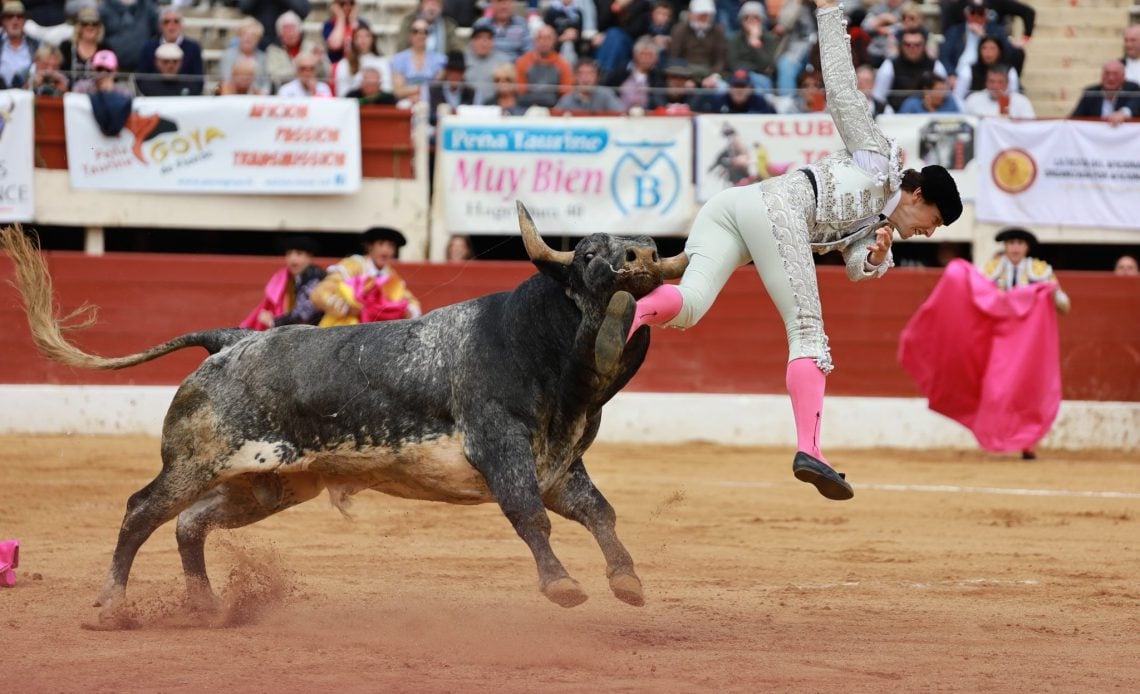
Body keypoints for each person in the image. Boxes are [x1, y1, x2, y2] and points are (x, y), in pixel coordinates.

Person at [603, 0, 963, 501]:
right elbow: (839, 88)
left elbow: (858, 268)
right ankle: (810, 449)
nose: (927, 232)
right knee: (809, 332)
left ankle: (629, 318)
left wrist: (878, 254)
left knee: (689, 306)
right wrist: (831, 11)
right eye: (933, 222)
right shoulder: (878, 157)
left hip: (738, 206)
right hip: (779, 209)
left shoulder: (874, 223)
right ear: (921, 196)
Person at [980, 227, 1070, 459]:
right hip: (1001, 340)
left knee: (1028, 390)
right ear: (1005, 246)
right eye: (1011, 243)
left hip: (1030, 344)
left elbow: (1064, 306)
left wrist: (1054, 293)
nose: (1015, 247)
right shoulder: (992, 269)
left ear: (1026, 247)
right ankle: (998, 436)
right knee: (997, 389)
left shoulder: (1040, 271)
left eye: (1019, 243)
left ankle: (1027, 442)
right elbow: (980, 298)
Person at [310, 227, 422, 326]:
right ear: (370, 247)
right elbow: (319, 293)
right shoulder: (353, 266)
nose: (386, 250)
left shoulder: (391, 277)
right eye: (381, 244)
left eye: (390, 246)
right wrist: (347, 308)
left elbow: (411, 303)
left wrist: (405, 311)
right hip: (345, 329)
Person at [240, 235, 326, 330]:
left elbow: (304, 313)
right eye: (289, 254)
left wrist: (274, 321)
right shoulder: (293, 278)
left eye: (299, 254)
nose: (293, 258)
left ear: (309, 257)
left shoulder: (315, 277)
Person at [872, 27, 947, 111]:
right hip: (896, 118)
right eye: (907, 44)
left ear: (924, 45)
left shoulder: (935, 65)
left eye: (917, 44)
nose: (912, 48)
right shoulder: (889, 65)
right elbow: (878, 97)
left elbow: (945, 95)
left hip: (929, 115)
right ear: (901, 45)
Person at [137, 7, 203, 95]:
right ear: (160, 25)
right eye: (166, 22)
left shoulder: (193, 48)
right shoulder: (149, 47)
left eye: (176, 21)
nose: (171, 26)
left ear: (181, 24)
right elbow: (142, 78)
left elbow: (198, 80)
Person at [667, 0, 727, 92]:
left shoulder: (718, 32)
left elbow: (720, 59)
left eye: (706, 15)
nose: (704, 18)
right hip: (685, 73)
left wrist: (714, 76)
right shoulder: (679, 30)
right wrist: (684, 77)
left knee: (723, 88)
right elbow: (674, 57)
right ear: (691, 14)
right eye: (701, 15)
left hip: (709, 73)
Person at [390, 16, 447, 104]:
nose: (420, 35)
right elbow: (398, 91)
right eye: (415, 31)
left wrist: (414, 91)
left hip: (430, 103)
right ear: (410, 35)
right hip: (406, 103)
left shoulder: (439, 59)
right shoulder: (399, 59)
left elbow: (436, 89)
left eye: (425, 32)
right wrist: (421, 90)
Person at [266, 11, 329, 90]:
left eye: (292, 28)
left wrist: (320, 62)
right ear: (280, 34)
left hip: (310, 90)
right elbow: (275, 76)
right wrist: (302, 68)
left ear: (299, 30)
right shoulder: (273, 50)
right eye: (286, 29)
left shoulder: (312, 47)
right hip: (282, 92)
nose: (290, 33)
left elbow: (325, 74)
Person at [516, 23, 574, 108]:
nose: (544, 41)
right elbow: (520, 92)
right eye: (540, 38)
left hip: (554, 108)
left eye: (548, 38)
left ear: (554, 40)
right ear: (534, 40)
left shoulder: (563, 64)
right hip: (527, 108)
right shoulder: (522, 62)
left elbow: (566, 93)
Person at [726, 1, 777, 93]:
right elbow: (733, 64)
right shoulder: (734, 38)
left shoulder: (769, 39)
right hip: (738, 77)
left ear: (761, 20)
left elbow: (767, 64)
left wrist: (755, 45)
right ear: (741, 21)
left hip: (761, 78)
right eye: (746, 17)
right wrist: (752, 70)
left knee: (761, 84)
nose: (750, 20)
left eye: (755, 17)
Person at [1070, 60, 1140, 126]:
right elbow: (1074, 119)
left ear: (1123, 77)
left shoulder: (1132, 89)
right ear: (1101, 76)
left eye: (1115, 74)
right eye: (1107, 73)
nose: (1111, 78)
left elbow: (1135, 103)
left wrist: (1123, 113)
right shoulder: (1090, 93)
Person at [606, 34, 666, 111]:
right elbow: (609, 89)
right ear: (635, 55)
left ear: (656, 58)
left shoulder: (658, 75)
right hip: (620, 114)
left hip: (648, 115)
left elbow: (659, 98)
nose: (646, 58)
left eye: (650, 55)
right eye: (643, 54)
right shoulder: (622, 69)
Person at [98, 0, 159, 73]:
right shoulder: (103, 9)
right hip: (111, 71)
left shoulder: (149, 7)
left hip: (143, 71)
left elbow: (157, 35)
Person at [332, 24, 390, 97]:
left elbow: (387, 87)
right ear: (353, 40)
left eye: (367, 36)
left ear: (373, 39)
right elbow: (342, 91)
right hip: (353, 102)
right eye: (359, 36)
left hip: (378, 103)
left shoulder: (382, 61)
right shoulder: (344, 63)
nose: (363, 39)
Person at [219, 17, 272, 95]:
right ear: (239, 36)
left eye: (253, 35)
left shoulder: (262, 58)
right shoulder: (228, 55)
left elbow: (266, 85)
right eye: (244, 34)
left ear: (258, 39)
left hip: (256, 98)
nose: (248, 38)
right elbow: (225, 81)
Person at [464, 23, 510, 106]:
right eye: (479, 38)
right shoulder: (463, 60)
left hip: (494, 106)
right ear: (471, 41)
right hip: (466, 105)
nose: (484, 43)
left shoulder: (502, 60)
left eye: (488, 38)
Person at [57, 6, 107, 82]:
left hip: (96, 92)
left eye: (94, 24)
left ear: (99, 27)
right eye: (85, 23)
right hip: (69, 92)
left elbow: (111, 76)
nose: (90, 27)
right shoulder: (66, 47)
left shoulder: (105, 49)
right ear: (78, 26)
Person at [964, 63, 1034, 117]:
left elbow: (1029, 127)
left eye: (1000, 82)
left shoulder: (1021, 102)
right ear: (986, 82)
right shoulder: (973, 100)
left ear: (1007, 83)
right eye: (992, 81)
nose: (995, 86)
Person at [555, 58, 624, 111]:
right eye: (581, 74)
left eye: (590, 73)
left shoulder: (606, 95)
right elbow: (555, 119)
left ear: (597, 76)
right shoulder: (567, 99)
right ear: (575, 77)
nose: (586, 78)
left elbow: (620, 113)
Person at [704, 67, 776, 113]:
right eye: (736, 86)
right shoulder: (719, 101)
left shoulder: (759, 102)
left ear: (750, 88)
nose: (739, 90)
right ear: (730, 88)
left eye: (742, 86)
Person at [0, 1, 37, 89]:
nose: (15, 20)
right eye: (10, 16)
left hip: (28, 94)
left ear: (24, 20)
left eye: (19, 16)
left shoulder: (36, 45)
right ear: (3, 21)